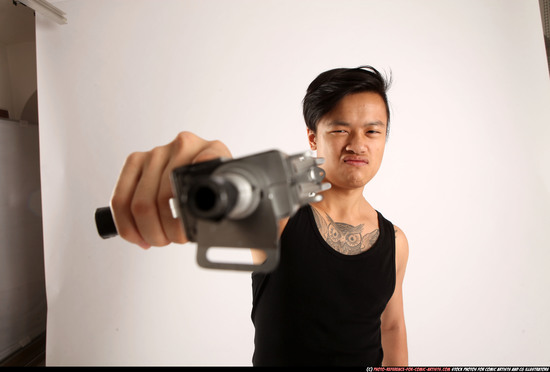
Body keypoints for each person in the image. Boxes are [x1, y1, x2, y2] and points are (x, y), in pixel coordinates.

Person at [109, 66, 409, 366]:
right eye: (340, 129)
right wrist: (204, 177)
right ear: (313, 137)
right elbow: (229, 200)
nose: (357, 144)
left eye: (372, 131)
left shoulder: (396, 242)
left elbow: (392, 327)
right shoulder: (279, 214)